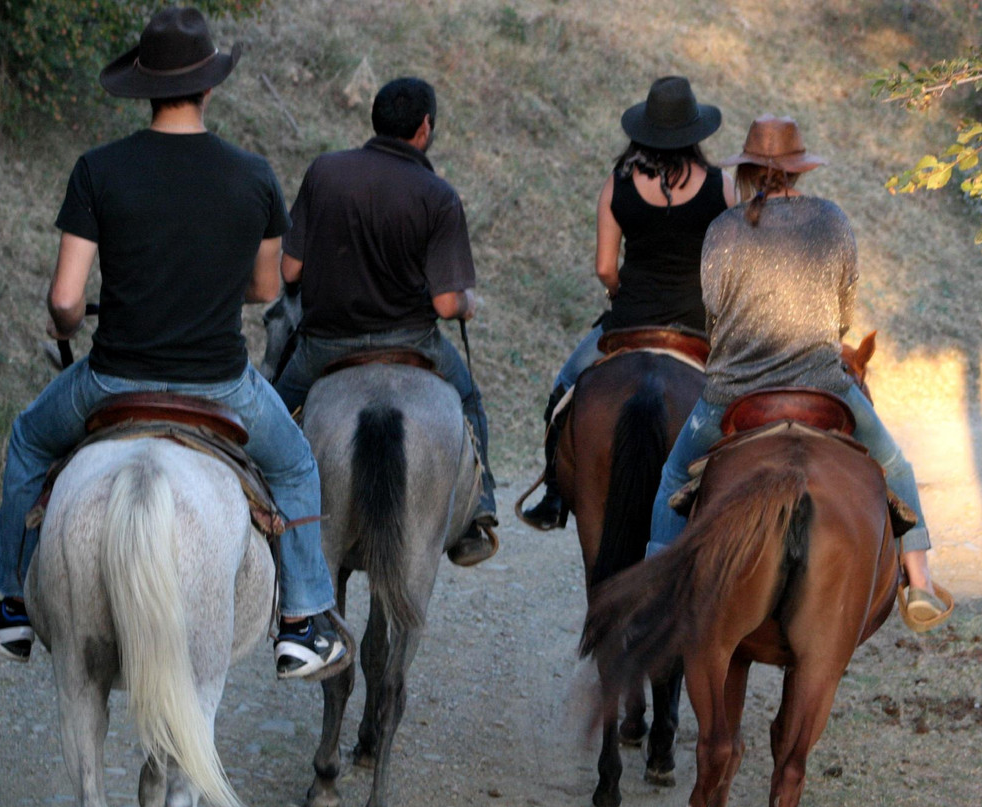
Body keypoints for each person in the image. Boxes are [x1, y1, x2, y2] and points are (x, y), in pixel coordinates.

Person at [0, 6, 347, 680]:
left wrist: (64, 324)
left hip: (112, 380)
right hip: (221, 384)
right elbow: (262, 289)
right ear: (210, 85)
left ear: (144, 87)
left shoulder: (98, 169)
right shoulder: (253, 174)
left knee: (27, 438)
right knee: (294, 466)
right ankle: (303, 620)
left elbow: (63, 297)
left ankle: (8, 598)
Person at [646, 114, 948, 623]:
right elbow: (844, 314)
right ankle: (919, 586)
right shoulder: (832, 219)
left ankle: (658, 592)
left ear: (745, 171)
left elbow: (714, 311)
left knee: (674, 472)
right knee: (897, 467)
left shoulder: (723, 229)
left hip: (733, 394)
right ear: (799, 170)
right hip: (824, 386)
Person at [275, 76, 497, 567]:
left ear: (375, 118)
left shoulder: (325, 172)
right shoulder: (438, 195)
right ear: (425, 127)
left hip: (324, 346)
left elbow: (290, 270)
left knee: (274, 409)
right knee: (470, 402)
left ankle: (262, 506)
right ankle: (479, 512)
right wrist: (467, 304)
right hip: (412, 341)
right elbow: (444, 305)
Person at [522, 76, 736, 528]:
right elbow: (731, 266)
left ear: (646, 130)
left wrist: (620, 294)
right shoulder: (724, 186)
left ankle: (555, 494)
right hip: (699, 327)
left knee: (563, 390)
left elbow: (604, 267)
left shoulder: (616, 184)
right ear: (695, 133)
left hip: (629, 321)